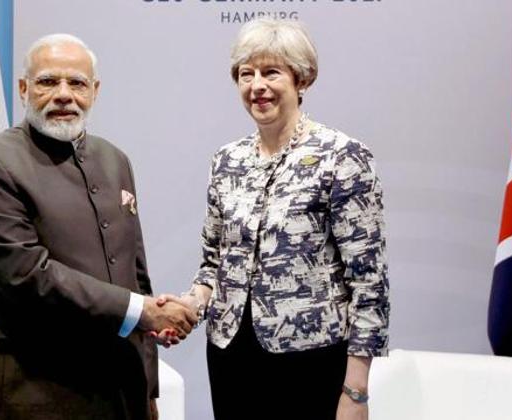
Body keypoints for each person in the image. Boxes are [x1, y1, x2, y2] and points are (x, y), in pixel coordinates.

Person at [156, 18, 389, 420]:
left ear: (302, 79)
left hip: (312, 360)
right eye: (246, 74)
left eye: (271, 73)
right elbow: (214, 264)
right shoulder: (227, 161)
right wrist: (188, 307)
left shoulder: (342, 156)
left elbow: (369, 283)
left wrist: (356, 390)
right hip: (231, 356)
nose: (257, 86)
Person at [0, 34, 197, 420]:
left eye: (77, 83)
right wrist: (142, 312)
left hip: (119, 391)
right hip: (32, 394)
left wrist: (148, 385)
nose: (64, 94)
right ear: (23, 88)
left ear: (95, 91)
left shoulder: (114, 159)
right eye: (49, 81)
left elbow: (135, 273)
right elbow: (25, 274)